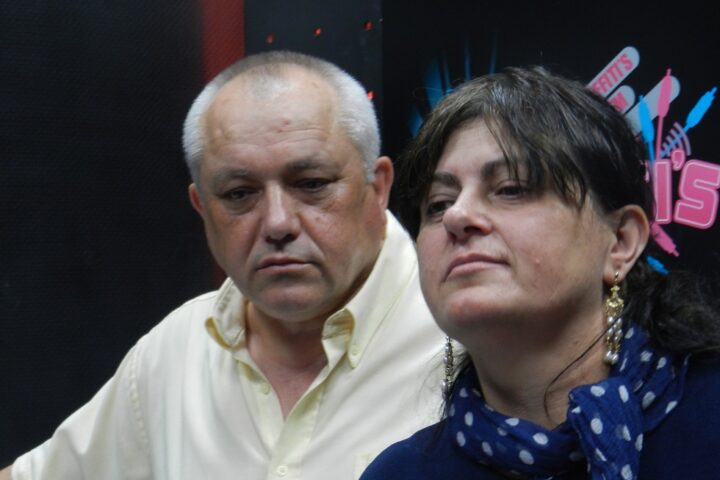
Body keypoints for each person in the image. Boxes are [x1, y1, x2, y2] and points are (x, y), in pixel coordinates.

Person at [2, 50, 444, 480]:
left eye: (311, 184)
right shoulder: (177, 352)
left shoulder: (460, 341)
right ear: (202, 207)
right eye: (239, 193)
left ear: (378, 186)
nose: (277, 223)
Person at [360, 66, 720, 480]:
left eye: (511, 189)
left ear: (620, 242)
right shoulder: (400, 473)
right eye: (438, 204)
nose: (457, 216)